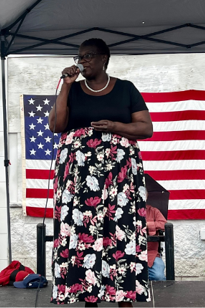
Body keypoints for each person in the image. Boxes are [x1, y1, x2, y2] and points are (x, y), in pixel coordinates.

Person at [49, 38, 153, 307]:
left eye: (88, 56)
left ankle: (124, 298)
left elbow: (145, 128)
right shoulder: (73, 89)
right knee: (83, 233)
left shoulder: (126, 89)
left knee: (119, 231)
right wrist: (66, 87)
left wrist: (115, 126)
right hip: (79, 176)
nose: (82, 62)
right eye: (80, 57)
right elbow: (57, 125)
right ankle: (88, 297)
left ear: (104, 58)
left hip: (118, 176)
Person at [145, 204, 167, 281]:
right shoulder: (125, 211)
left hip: (151, 253)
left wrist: (149, 224)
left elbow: (165, 225)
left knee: (159, 277)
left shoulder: (153, 211)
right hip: (129, 254)